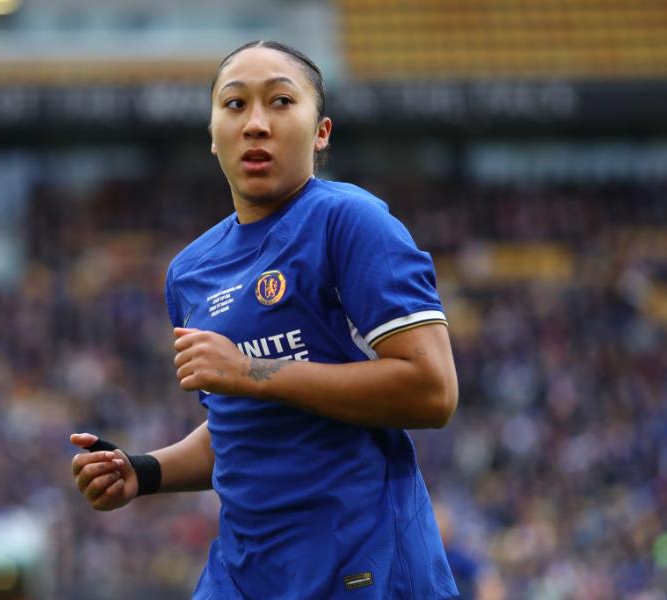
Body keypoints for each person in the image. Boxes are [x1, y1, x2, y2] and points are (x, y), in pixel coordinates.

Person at [70, 40, 460, 599]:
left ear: (321, 131)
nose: (255, 124)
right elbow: (242, 427)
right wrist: (144, 471)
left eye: (280, 101)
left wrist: (250, 369)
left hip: (358, 566)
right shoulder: (190, 272)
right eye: (234, 105)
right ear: (211, 134)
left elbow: (433, 390)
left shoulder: (350, 221)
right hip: (243, 572)